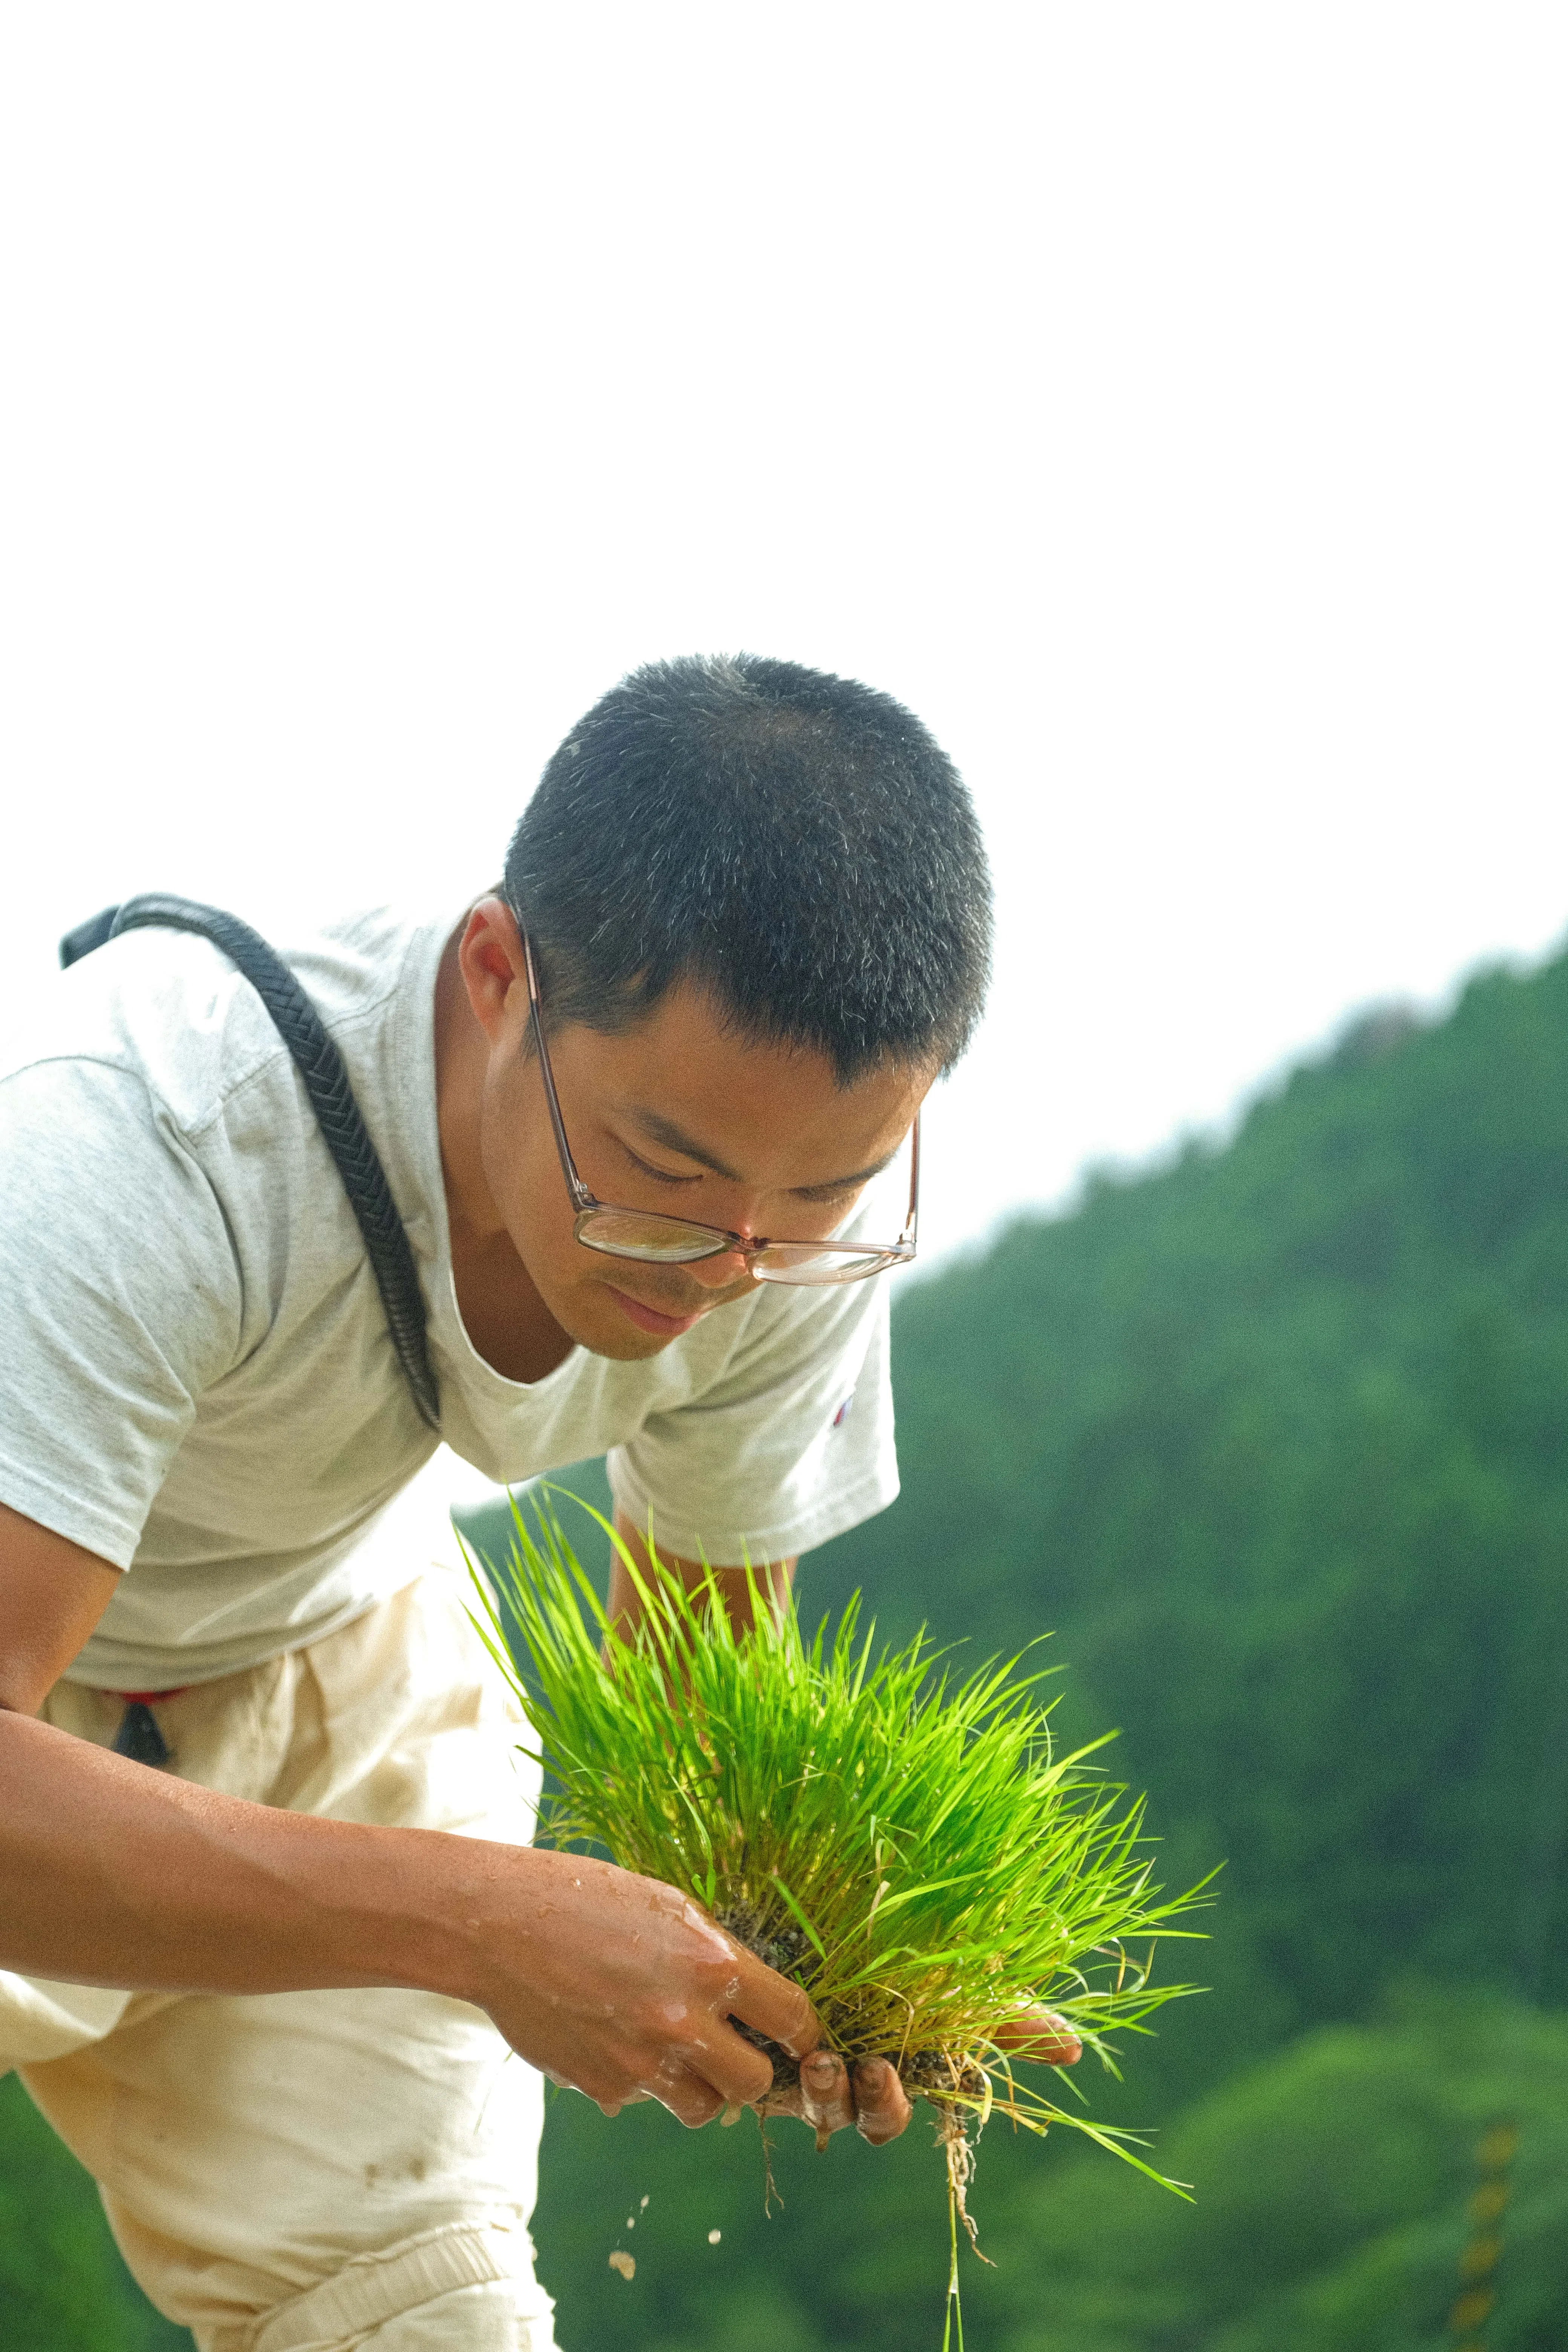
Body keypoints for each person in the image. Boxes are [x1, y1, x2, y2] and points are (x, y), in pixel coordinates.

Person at [0, 653, 1075, 2350]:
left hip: (326, 1644)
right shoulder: (142, 1135)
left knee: (416, 2313)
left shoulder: (777, 1223)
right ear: (500, 975)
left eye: (829, 1190)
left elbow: (700, 1714)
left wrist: (825, 1973)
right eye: (659, 1174)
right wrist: (475, 1920)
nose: (735, 1266)